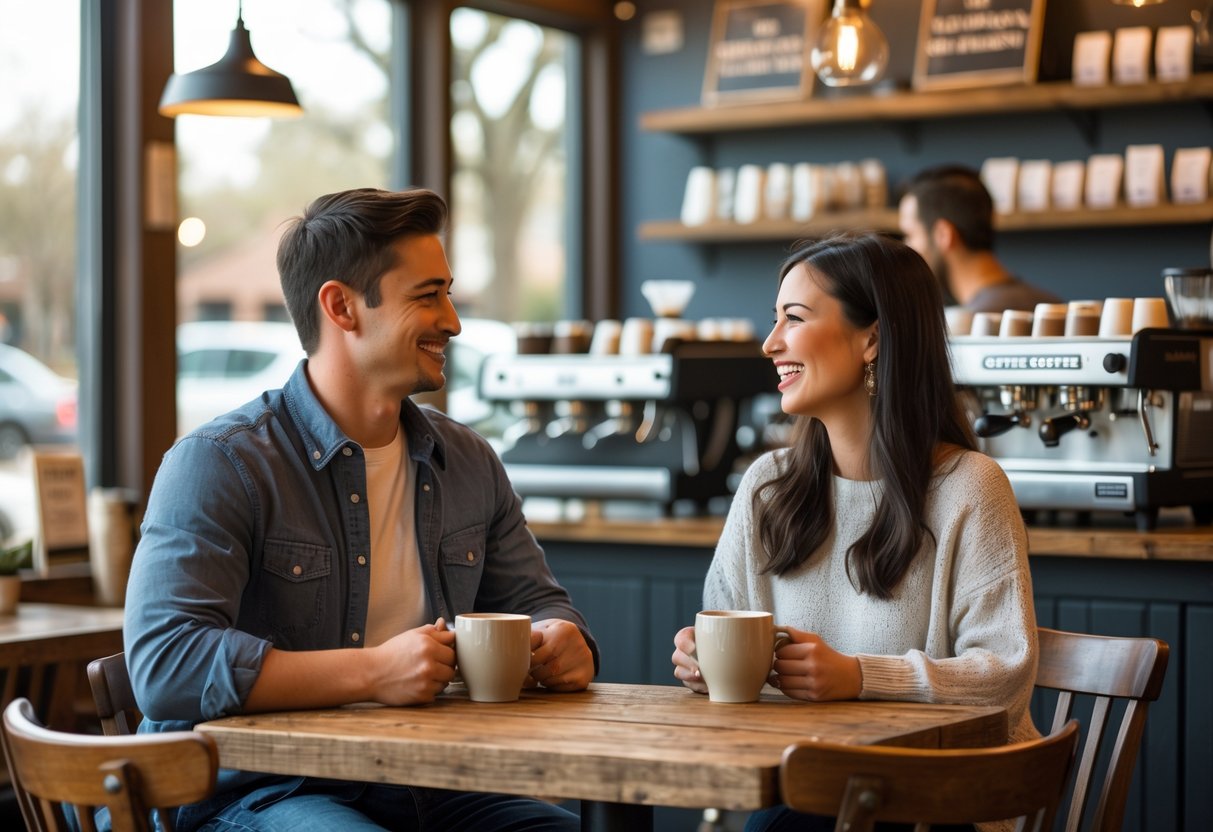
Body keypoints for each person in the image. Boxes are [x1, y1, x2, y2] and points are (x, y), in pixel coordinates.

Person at [125, 187, 598, 832]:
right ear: (341, 306)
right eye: (427, 296)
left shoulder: (468, 460)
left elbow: (543, 604)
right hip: (256, 794)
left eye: (449, 294)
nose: (453, 321)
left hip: (428, 783)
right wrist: (375, 670)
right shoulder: (219, 462)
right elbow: (166, 664)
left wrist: (566, 642)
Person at [671, 233, 1037, 832]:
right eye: (774, 320)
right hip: (808, 792)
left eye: (794, 318)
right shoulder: (767, 486)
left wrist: (860, 677)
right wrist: (700, 661)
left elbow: (1005, 676)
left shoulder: (970, 487)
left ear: (873, 338)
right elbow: (725, 625)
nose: (770, 345)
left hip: (940, 805)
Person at [898, 164, 1061, 313]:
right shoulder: (1052, 306)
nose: (907, 248)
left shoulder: (971, 327)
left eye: (910, 235)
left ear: (944, 235)